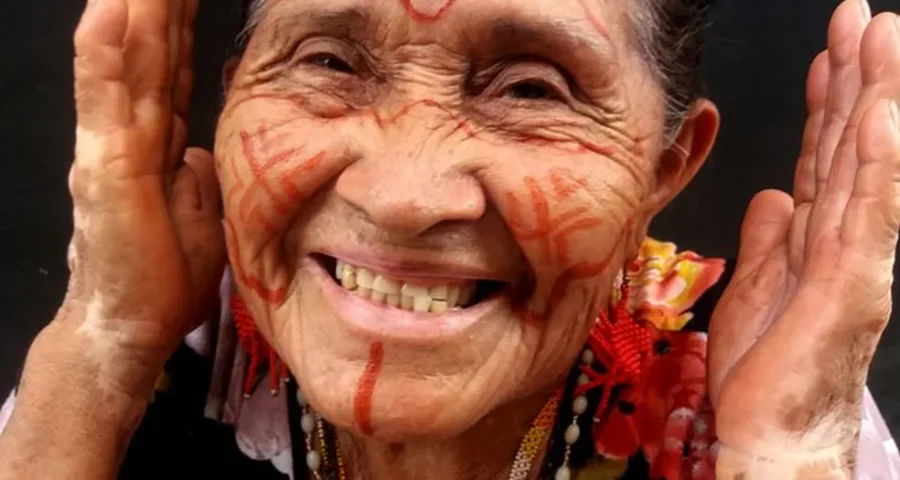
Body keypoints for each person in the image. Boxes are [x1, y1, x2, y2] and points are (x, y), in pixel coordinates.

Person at [1, 0, 899, 478]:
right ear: (235, 97)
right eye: (328, 62)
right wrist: (102, 345)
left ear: (666, 164)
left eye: (531, 90)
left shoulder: (749, 384)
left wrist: (787, 456)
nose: (399, 198)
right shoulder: (170, 344)